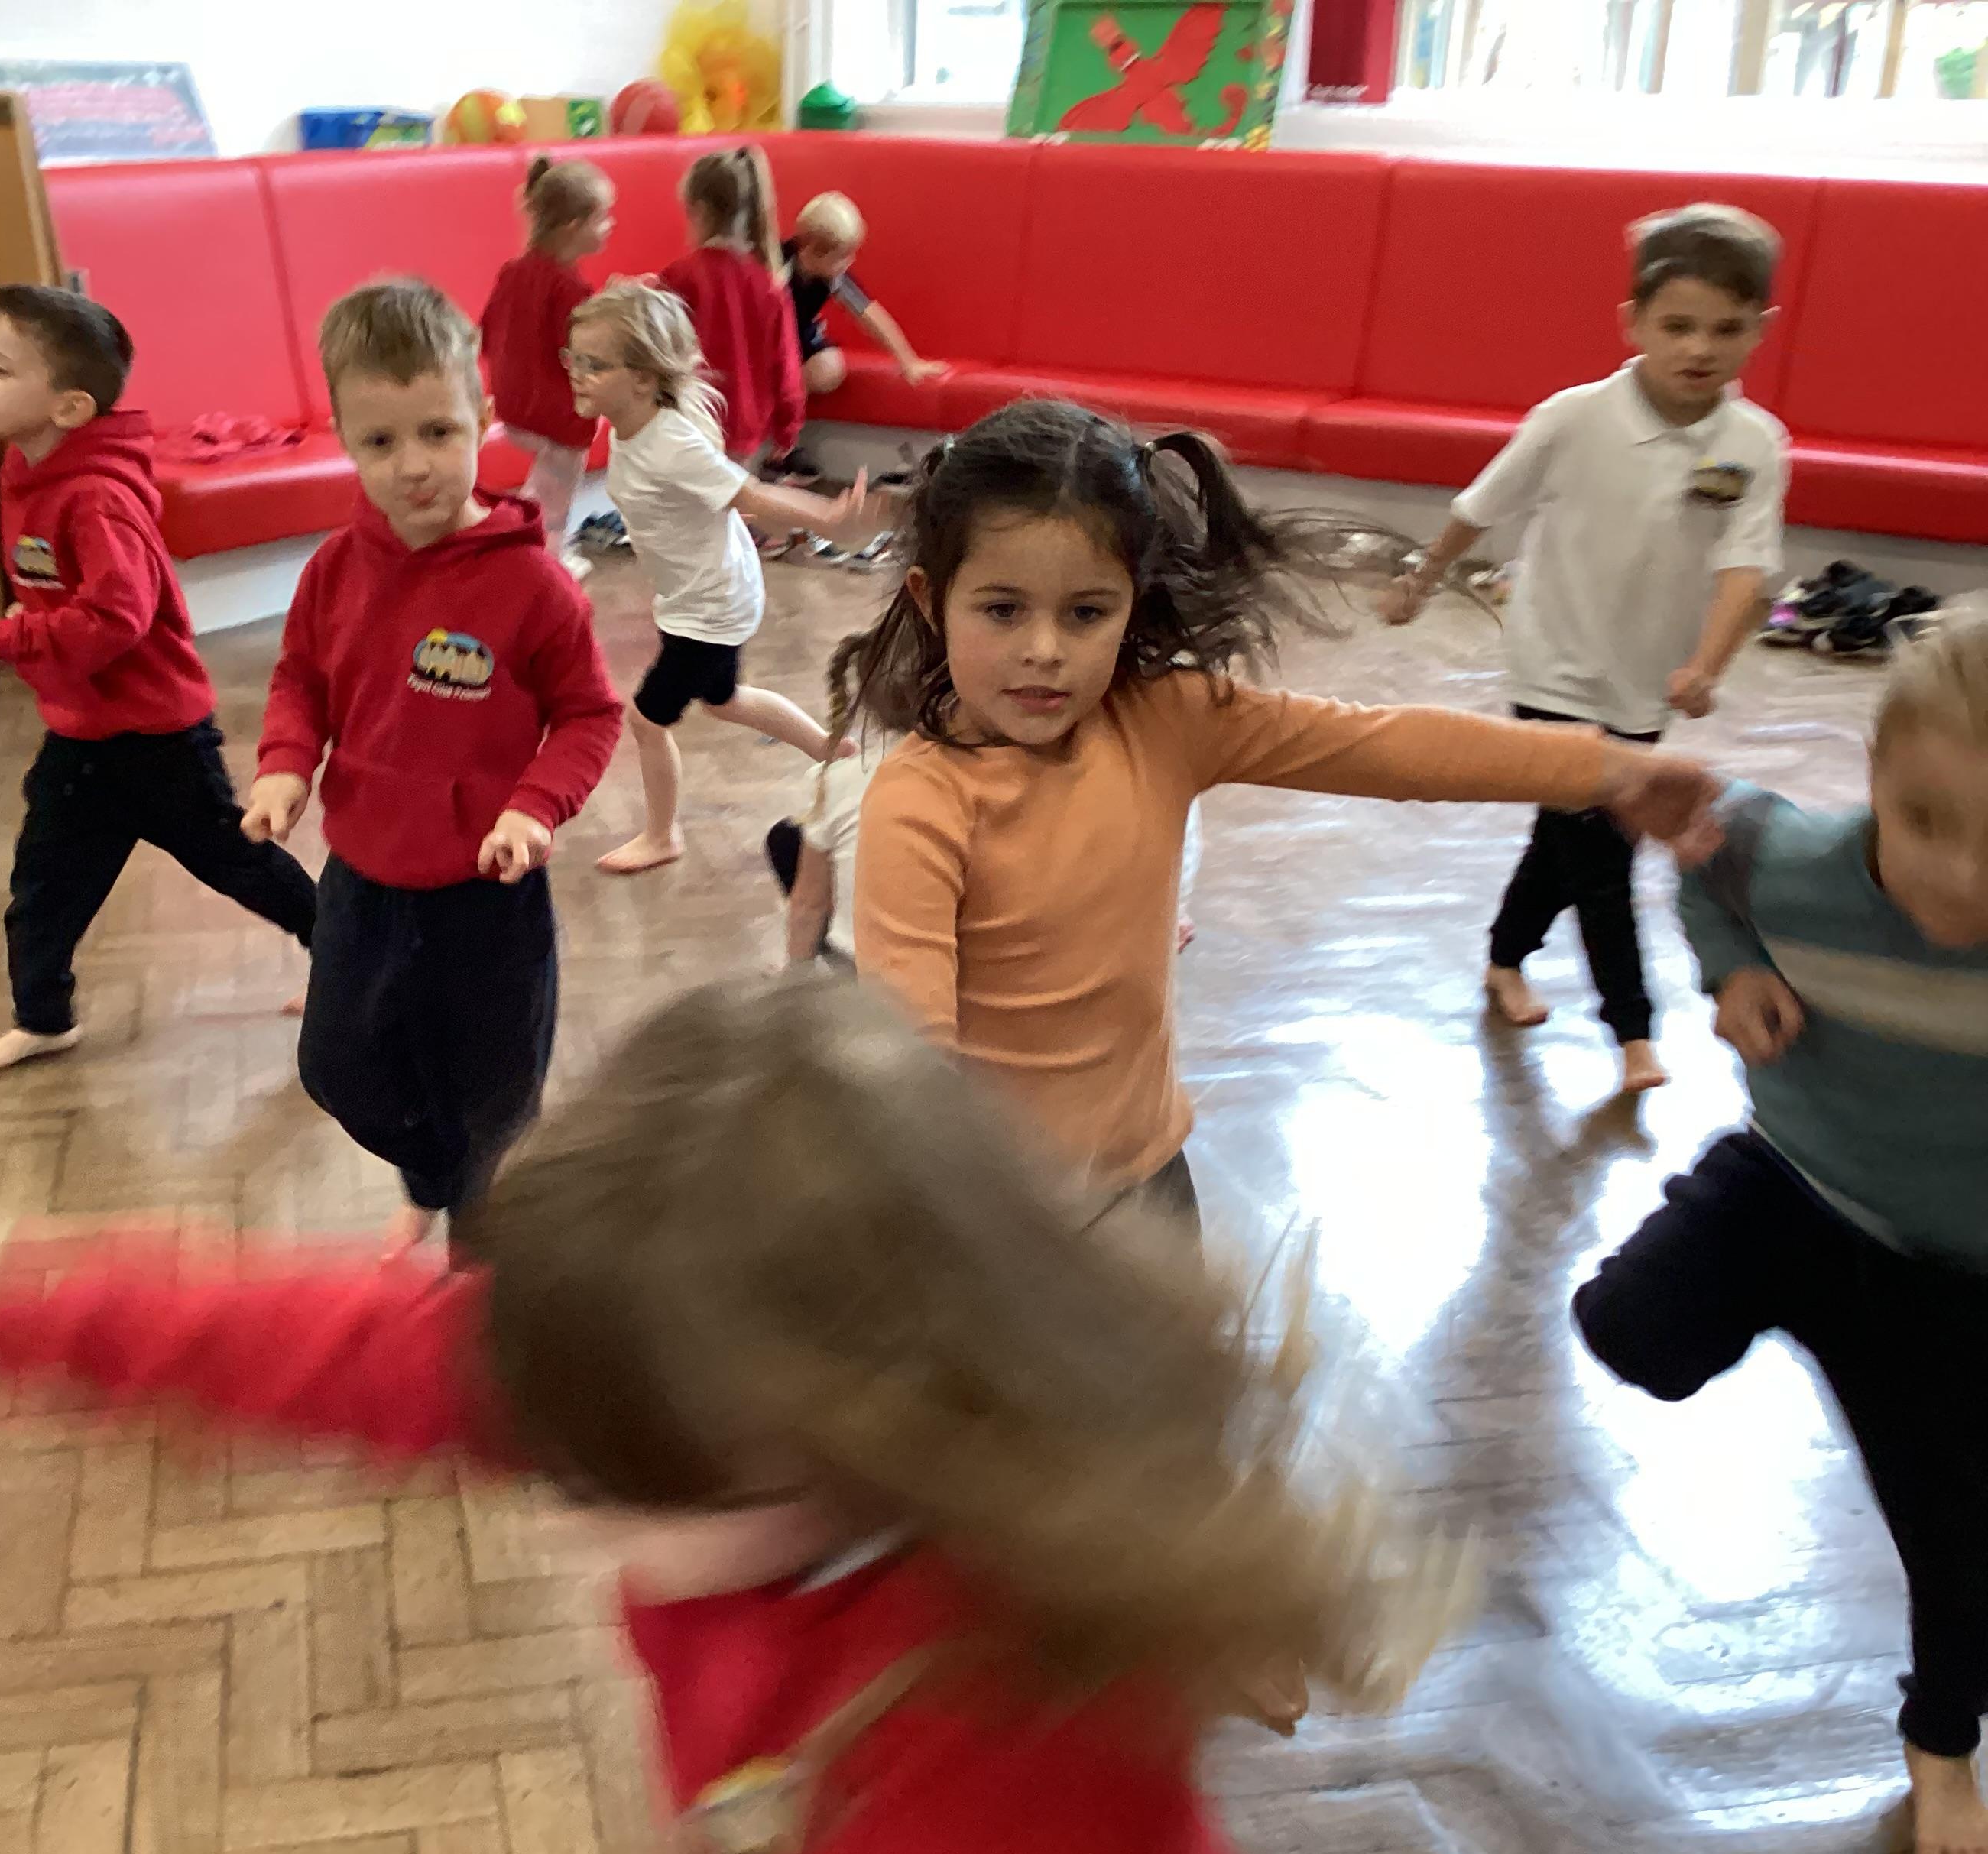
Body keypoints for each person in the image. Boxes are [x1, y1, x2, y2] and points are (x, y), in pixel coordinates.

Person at [0, 974, 1479, 1854]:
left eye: (615, 1490)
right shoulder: (656, 1361)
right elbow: (329, 1340)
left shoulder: (1009, 1718)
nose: (558, 1511)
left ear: (862, 1433)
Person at [845, 400, 1726, 1217]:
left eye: (1086, 613)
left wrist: (1608, 769)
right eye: (1002, 610)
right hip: (997, 1220)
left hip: (1150, 1182)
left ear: (1132, 605)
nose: (1044, 650)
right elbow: (911, 1051)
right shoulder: (922, 804)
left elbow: (1383, 747)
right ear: (931, 600)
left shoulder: (1164, 720)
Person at [1572, 619, 1988, 1854]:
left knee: (1957, 1547)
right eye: (1925, 821)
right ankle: (1806, 1308)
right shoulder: (1791, 856)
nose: (1961, 875)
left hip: (1951, 1277)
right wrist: (1731, 970)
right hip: (1797, 1190)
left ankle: (1939, 1745)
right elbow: (1707, 861)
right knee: (1628, 1330)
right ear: (1871, 779)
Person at [239, 280, 621, 1250]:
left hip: (490, 898)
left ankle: (477, 1252)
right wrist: (287, 763)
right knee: (338, 1068)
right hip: (363, 881)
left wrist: (533, 807)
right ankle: (441, 1176)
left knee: (496, 1100)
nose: (413, 465)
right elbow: (300, 680)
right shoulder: (333, 570)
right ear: (342, 438)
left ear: (484, 417)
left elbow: (588, 715)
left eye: (439, 433)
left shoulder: (533, 584)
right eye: (380, 441)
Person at [1380, 202, 1789, 1096]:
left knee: (1565, 833)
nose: (1700, 348)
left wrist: (1706, 666)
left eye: (1726, 329)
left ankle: (1504, 956)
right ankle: (1633, 1033)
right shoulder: (1574, 418)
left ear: (1760, 330)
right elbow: (1480, 506)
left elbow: (1746, 567)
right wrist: (1421, 578)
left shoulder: (1753, 444)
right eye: (1677, 325)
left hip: (1644, 681)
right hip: (1553, 666)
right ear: (1632, 322)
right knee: (1605, 853)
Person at [0, 284, 315, 1074]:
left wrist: (7, 635)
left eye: (0, 369)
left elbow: (117, 617)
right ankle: (44, 1019)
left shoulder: (96, 496)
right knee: (42, 887)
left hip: (156, 739)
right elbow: (67, 588)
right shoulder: (27, 469)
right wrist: (35, 612)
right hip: (81, 737)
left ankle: (346, 960)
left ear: (71, 407)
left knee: (240, 864)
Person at [567, 280, 868, 878]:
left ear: (643, 379)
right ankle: (832, 750)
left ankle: (662, 835)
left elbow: (749, 497)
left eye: (594, 364)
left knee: (647, 719)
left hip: (711, 605)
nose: (577, 373)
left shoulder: (671, 443)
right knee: (724, 700)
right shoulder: (633, 425)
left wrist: (829, 519)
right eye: (573, 358)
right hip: (698, 594)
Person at [482, 155, 614, 564]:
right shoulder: (570, 287)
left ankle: (514, 541)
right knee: (557, 499)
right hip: (556, 419)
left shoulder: (513, 271)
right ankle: (548, 562)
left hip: (513, 410)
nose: (609, 226)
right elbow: (582, 356)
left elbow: (486, 333)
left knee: (543, 485)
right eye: (602, 218)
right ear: (574, 226)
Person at [768, 190, 945, 477]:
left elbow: (869, 314)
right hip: (764, 343)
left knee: (830, 368)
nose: (849, 262)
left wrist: (908, 361)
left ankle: (784, 438)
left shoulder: (833, 277)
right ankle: (779, 447)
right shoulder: (774, 267)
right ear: (810, 251)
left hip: (798, 339)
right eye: (842, 257)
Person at [660, 146, 803, 468]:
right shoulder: (768, 283)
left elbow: (655, 350)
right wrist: (788, 427)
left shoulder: (679, 277)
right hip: (745, 427)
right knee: (733, 494)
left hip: (691, 421)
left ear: (698, 210)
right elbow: (786, 365)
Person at [765, 637, 897, 970]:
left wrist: (794, 982)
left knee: (790, 839)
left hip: (859, 974)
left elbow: (808, 905)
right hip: (963, 975)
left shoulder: (840, 778)